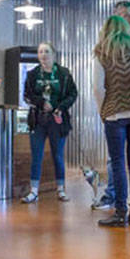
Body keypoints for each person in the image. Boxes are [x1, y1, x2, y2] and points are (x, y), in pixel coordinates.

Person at [93, 15, 130, 227]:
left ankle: (120, 212)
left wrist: (103, 110)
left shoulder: (102, 51)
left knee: (118, 163)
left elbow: (97, 87)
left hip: (115, 115)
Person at [22, 42, 78, 203]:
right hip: (38, 119)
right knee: (36, 155)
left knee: (58, 155)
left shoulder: (64, 74)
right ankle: (33, 191)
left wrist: (61, 107)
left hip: (57, 120)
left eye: (46, 51)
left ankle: (60, 189)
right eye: (40, 52)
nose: (43, 55)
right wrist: (40, 102)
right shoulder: (33, 74)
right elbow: (27, 95)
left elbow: (73, 94)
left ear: (53, 54)